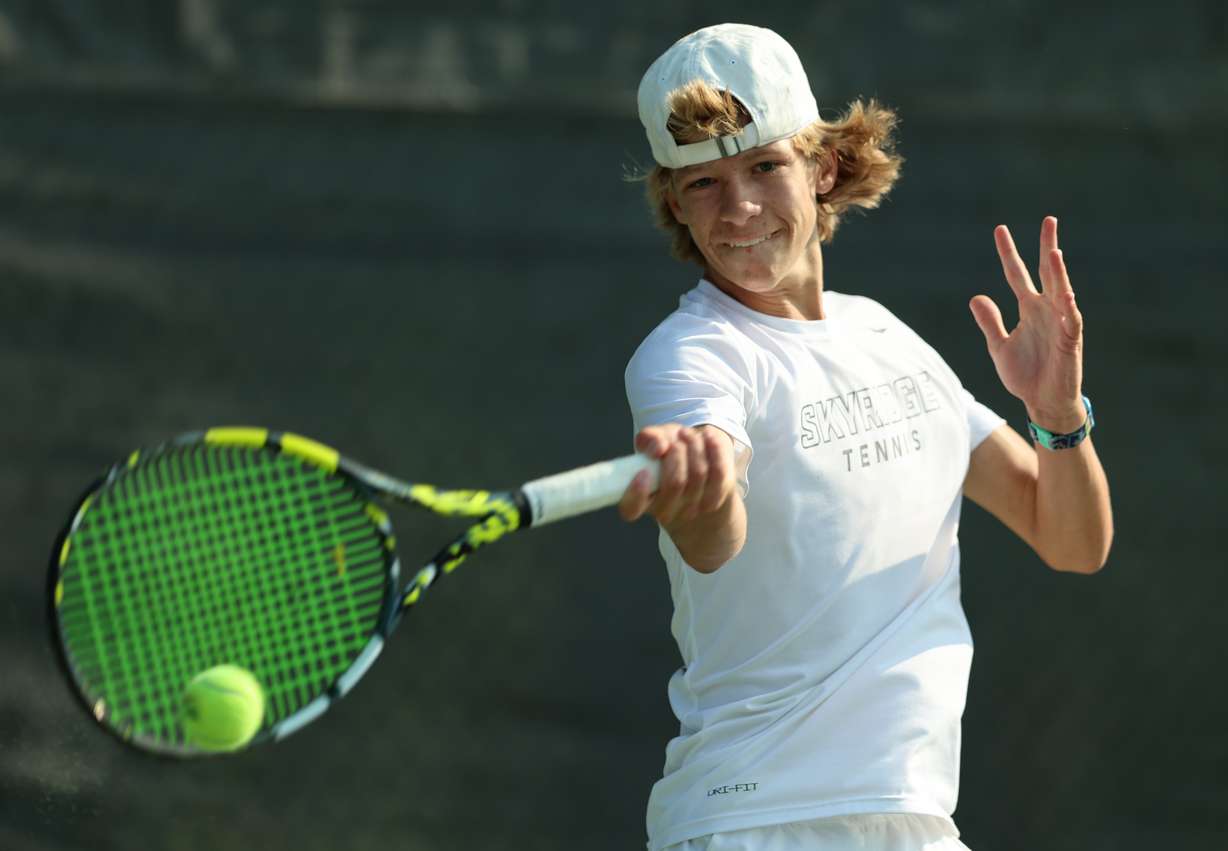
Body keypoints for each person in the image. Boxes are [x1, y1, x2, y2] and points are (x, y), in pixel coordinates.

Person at [616, 23, 1113, 851]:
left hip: (915, 819)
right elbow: (715, 537)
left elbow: (1070, 539)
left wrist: (1059, 417)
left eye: (764, 166)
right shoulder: (687, 357)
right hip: (758, 821)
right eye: (702, 184)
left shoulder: (884, 336)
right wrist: (702, 489)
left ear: (823, 167)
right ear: (675, 201)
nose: (738, 209)